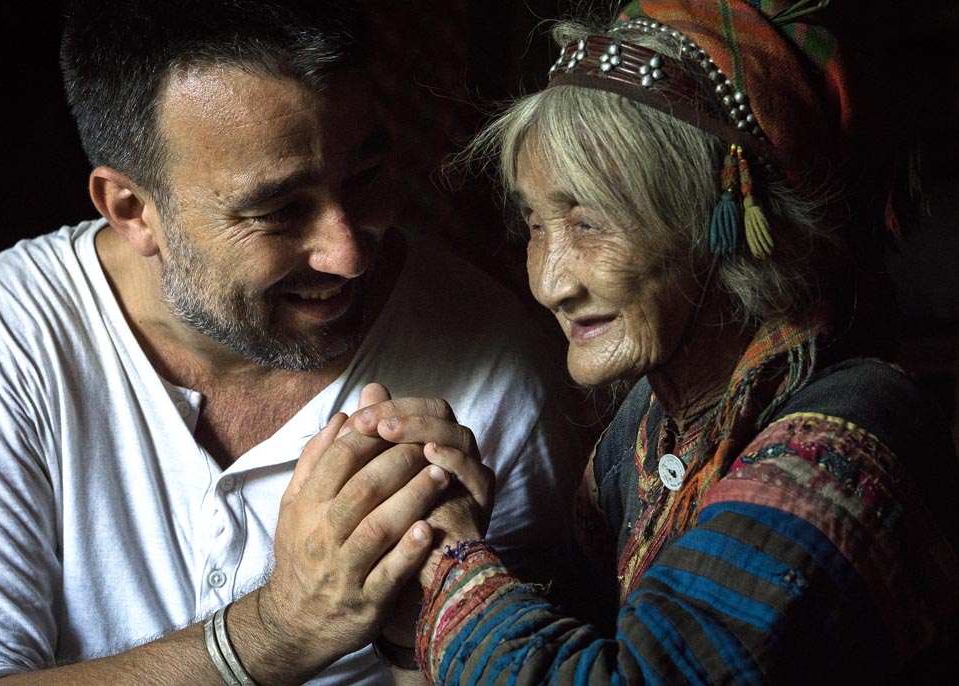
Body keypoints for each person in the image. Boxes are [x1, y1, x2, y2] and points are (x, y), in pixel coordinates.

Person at [0, 1, 584, 685]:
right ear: (131, 210)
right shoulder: (0, 338)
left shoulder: (498, 367)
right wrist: (279, 629)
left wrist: (419, 633)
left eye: (363, 178)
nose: (347, 253)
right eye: (277, 210)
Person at [409, 1, 959, 684]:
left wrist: (447, 563)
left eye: (589, 223)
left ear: (721, 222)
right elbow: (582, 619)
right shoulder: (649, 423)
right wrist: (423, 505)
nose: (551, 283)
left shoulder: (842, 448)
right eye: (536, 226)